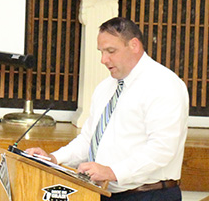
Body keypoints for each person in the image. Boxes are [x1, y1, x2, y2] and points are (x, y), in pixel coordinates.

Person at [26, 17, 189, 200]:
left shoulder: (163, 84)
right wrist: (53, 159)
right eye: (101, 52)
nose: (104, 60)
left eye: (111, 51)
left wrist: (112, 172)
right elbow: (89, 139)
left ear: (134, 45)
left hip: (150, 194)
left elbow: (162, 149)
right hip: (105, 192)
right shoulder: (106, 87)